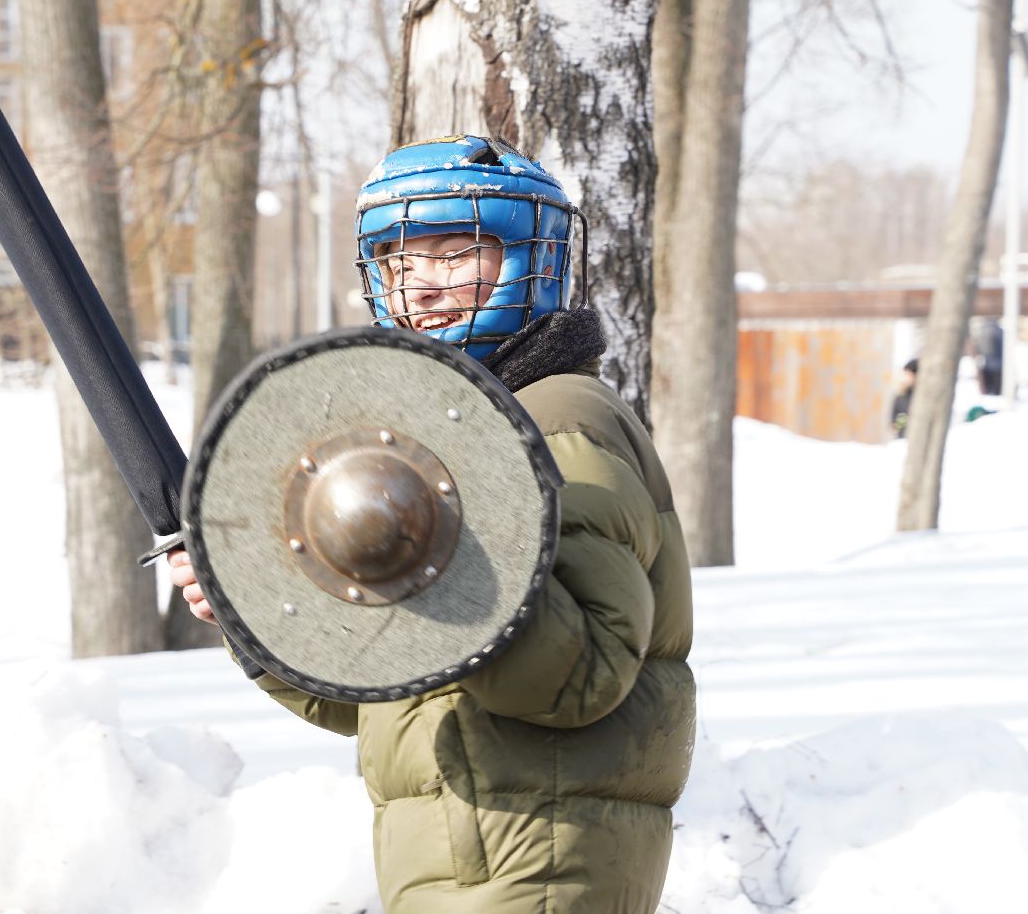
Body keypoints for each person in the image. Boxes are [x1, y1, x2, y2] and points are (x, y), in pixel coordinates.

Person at [171, 135, 695, 912]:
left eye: (456, 254)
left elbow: (580, 674)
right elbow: (382, 695)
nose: (426, 285)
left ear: (529, 257)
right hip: (455, 846)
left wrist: (412, 552)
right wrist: (256, 615)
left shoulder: (558, 417)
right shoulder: (451, 430)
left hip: (533, 854)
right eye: (403, 262)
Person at [890, 358, 918, 439]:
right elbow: (894, 423)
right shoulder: (900, 397)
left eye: (908, 374)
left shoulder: (923, 397)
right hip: (903, 440)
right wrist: (901, 422)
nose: (905, 378)